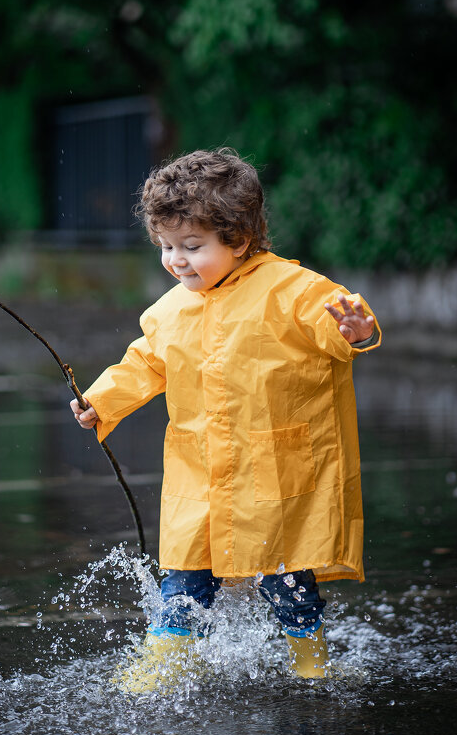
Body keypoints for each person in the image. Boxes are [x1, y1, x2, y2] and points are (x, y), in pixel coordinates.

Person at [71, 149, 381, 692]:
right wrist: (103, 402)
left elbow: (334, 322)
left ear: (239, 240)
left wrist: (353, 332)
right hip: (198, 472)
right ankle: (167, 660)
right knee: (185, 574)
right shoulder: (171, 309)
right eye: (166, 247)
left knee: (285, 575)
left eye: (193, 247)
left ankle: (309, 654)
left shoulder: (293, 289)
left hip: (273, 470)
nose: (177, 261)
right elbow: (146, 360)